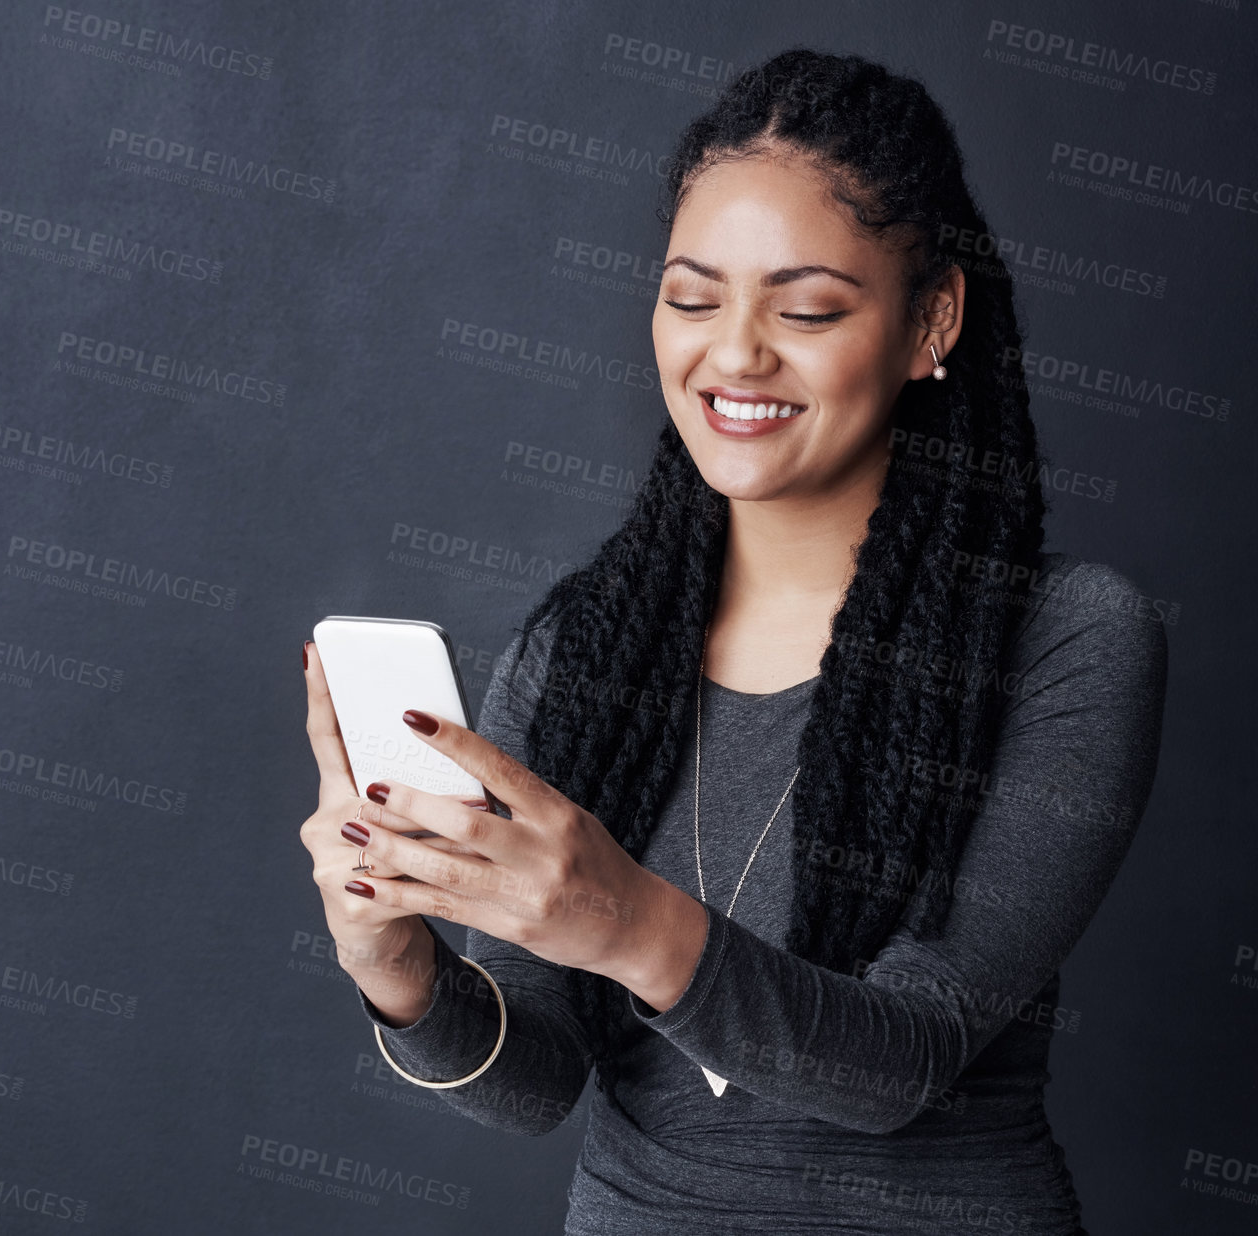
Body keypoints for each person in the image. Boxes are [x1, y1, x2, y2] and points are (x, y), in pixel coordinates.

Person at [299, 47, 1168, 1235]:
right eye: (692, 298)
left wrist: (623, 919)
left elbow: (901, 1064)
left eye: (805, 307)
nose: (735, 353)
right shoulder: (583, 652)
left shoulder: (1064, 639)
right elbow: (535, 1079)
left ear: (932, 320)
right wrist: (393, 963)